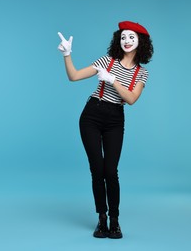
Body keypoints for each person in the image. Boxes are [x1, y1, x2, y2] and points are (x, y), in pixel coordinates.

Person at [57, 21, 154, 239]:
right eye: (123, 37)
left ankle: (115, 221)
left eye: (131, 37)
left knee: (111, 171)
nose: (126, 41)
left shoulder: (141, 73)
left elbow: (131, 99)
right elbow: (73, 76)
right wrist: (67, 55)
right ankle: (101, 219)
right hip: (92, 114)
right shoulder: (106, 61)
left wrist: (113, 80)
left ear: (141, 42)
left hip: (115, 119)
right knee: (97, 169)